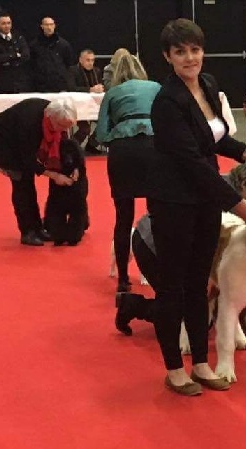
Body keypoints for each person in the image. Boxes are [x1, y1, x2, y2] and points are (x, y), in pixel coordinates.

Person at [148, 18, 246, 396]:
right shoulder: (166, 101)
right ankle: (173, 368)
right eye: (181, 51)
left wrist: (244, 151)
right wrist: (237, 205)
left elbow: (213, 137)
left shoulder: (208, 85)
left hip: (203, 200)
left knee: (200, 282)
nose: (190, 58)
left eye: (195, 49)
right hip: (174, 202)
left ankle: (201, 362)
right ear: (168, 56)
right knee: (172, 287)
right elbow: (191, 161)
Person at [115, 162, 246, 336]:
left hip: (173, 243)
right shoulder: (221, 195)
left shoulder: (225, 188)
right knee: (189, 313)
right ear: (244, 184)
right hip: (152, 246)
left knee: (201, 303)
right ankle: (131, 305)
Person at [96, 51, 161, 293]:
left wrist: (122, 132)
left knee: (123, 218)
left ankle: (123, 278)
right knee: (158, 215)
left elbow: (102, 134)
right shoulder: (155, 87)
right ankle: (160, 269)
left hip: (123, 153)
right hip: (154, 149)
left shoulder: (112, 93)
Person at [0, 98, 78, 245]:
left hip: (20, 144)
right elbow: (27, 159)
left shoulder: (56, 114)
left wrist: (74, 166)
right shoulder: (30, 123)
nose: (63, 130)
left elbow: (65, 144)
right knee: (22, 183)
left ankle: (37, 228)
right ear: (51, 118)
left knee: (28, 183)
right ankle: (27, 231)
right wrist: (54, 175)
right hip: (3, 144)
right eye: (61, 126)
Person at [0, 11, 32, 93]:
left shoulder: (19, 37)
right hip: (2, 83)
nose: (7, 26)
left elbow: (26, 55)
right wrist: (15, 55)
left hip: (20, 82)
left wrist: (8, 59)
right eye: (3, 23)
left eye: (9, 23)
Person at [70, 49, 104, 153]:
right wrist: (90, 90)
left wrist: (100, 88)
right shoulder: (72, 70)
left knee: (105, 124)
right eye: (88, 60)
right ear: (80, 60)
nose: (90, 63)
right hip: (77, 106)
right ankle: (71, 148)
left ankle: (92, 144)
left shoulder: (96, 71)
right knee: (85, 129)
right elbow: (71, 88)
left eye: (92, 60)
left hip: (94, 105)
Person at [29, 16, 74, 93]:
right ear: (42, 26)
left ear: (54, 26)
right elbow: (31, 64)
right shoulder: (34, 45)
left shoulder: (63, 44)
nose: (49, 27)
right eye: (46, 25)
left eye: (51, 24)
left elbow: (69, 63)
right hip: (40, 86)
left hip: (59, 85)